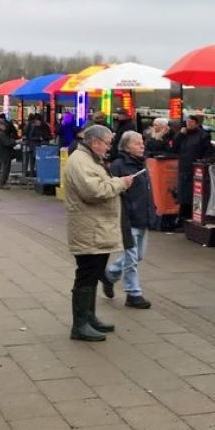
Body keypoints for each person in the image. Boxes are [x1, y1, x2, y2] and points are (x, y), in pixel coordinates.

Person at [64, 125, 134, 341]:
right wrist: (120, 183)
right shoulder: (80, 161)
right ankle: (80, 324)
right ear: (95, 142)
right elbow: (94, 191)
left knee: (93, 274)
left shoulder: (88, 159)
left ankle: (89, 318)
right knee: (86, 275)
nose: (109, 147)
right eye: (107, 142)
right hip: (89, 228)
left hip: (96, 228)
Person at [104, 131, 152, 309]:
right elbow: (113, 191)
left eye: (142, 143)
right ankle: (133, 293)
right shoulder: (119, 165)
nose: (142, 146)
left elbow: (146, 192)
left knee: (138, 256)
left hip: (142, 216)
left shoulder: (142, 164)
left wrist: (151, 212)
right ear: (126, 146)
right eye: (138, 144)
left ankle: (110, 275)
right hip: (127, 218)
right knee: (131, 258)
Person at [175, 113, 213, 221]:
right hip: (184, 168)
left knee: (194, 194)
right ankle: (182, 217)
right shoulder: (183, 135)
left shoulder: (203, 136)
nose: (188, 124)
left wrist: (202, 162)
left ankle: (192, 216)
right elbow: (174, 146)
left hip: (196, 169)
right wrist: (180, 135)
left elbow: (208, 152)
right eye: (187, 122)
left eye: (191, 122)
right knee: (183, 195)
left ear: (196, 124)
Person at [0, 119, 16, 189]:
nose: (5, 127)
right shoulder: (1, 134)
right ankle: (2, 183)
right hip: (4, 152)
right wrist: (14, 141)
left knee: (5, 167)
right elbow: (7, 142)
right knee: (5, 168)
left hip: (1, 152)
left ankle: (3, 182)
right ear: (0, 125)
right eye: (3, 125)